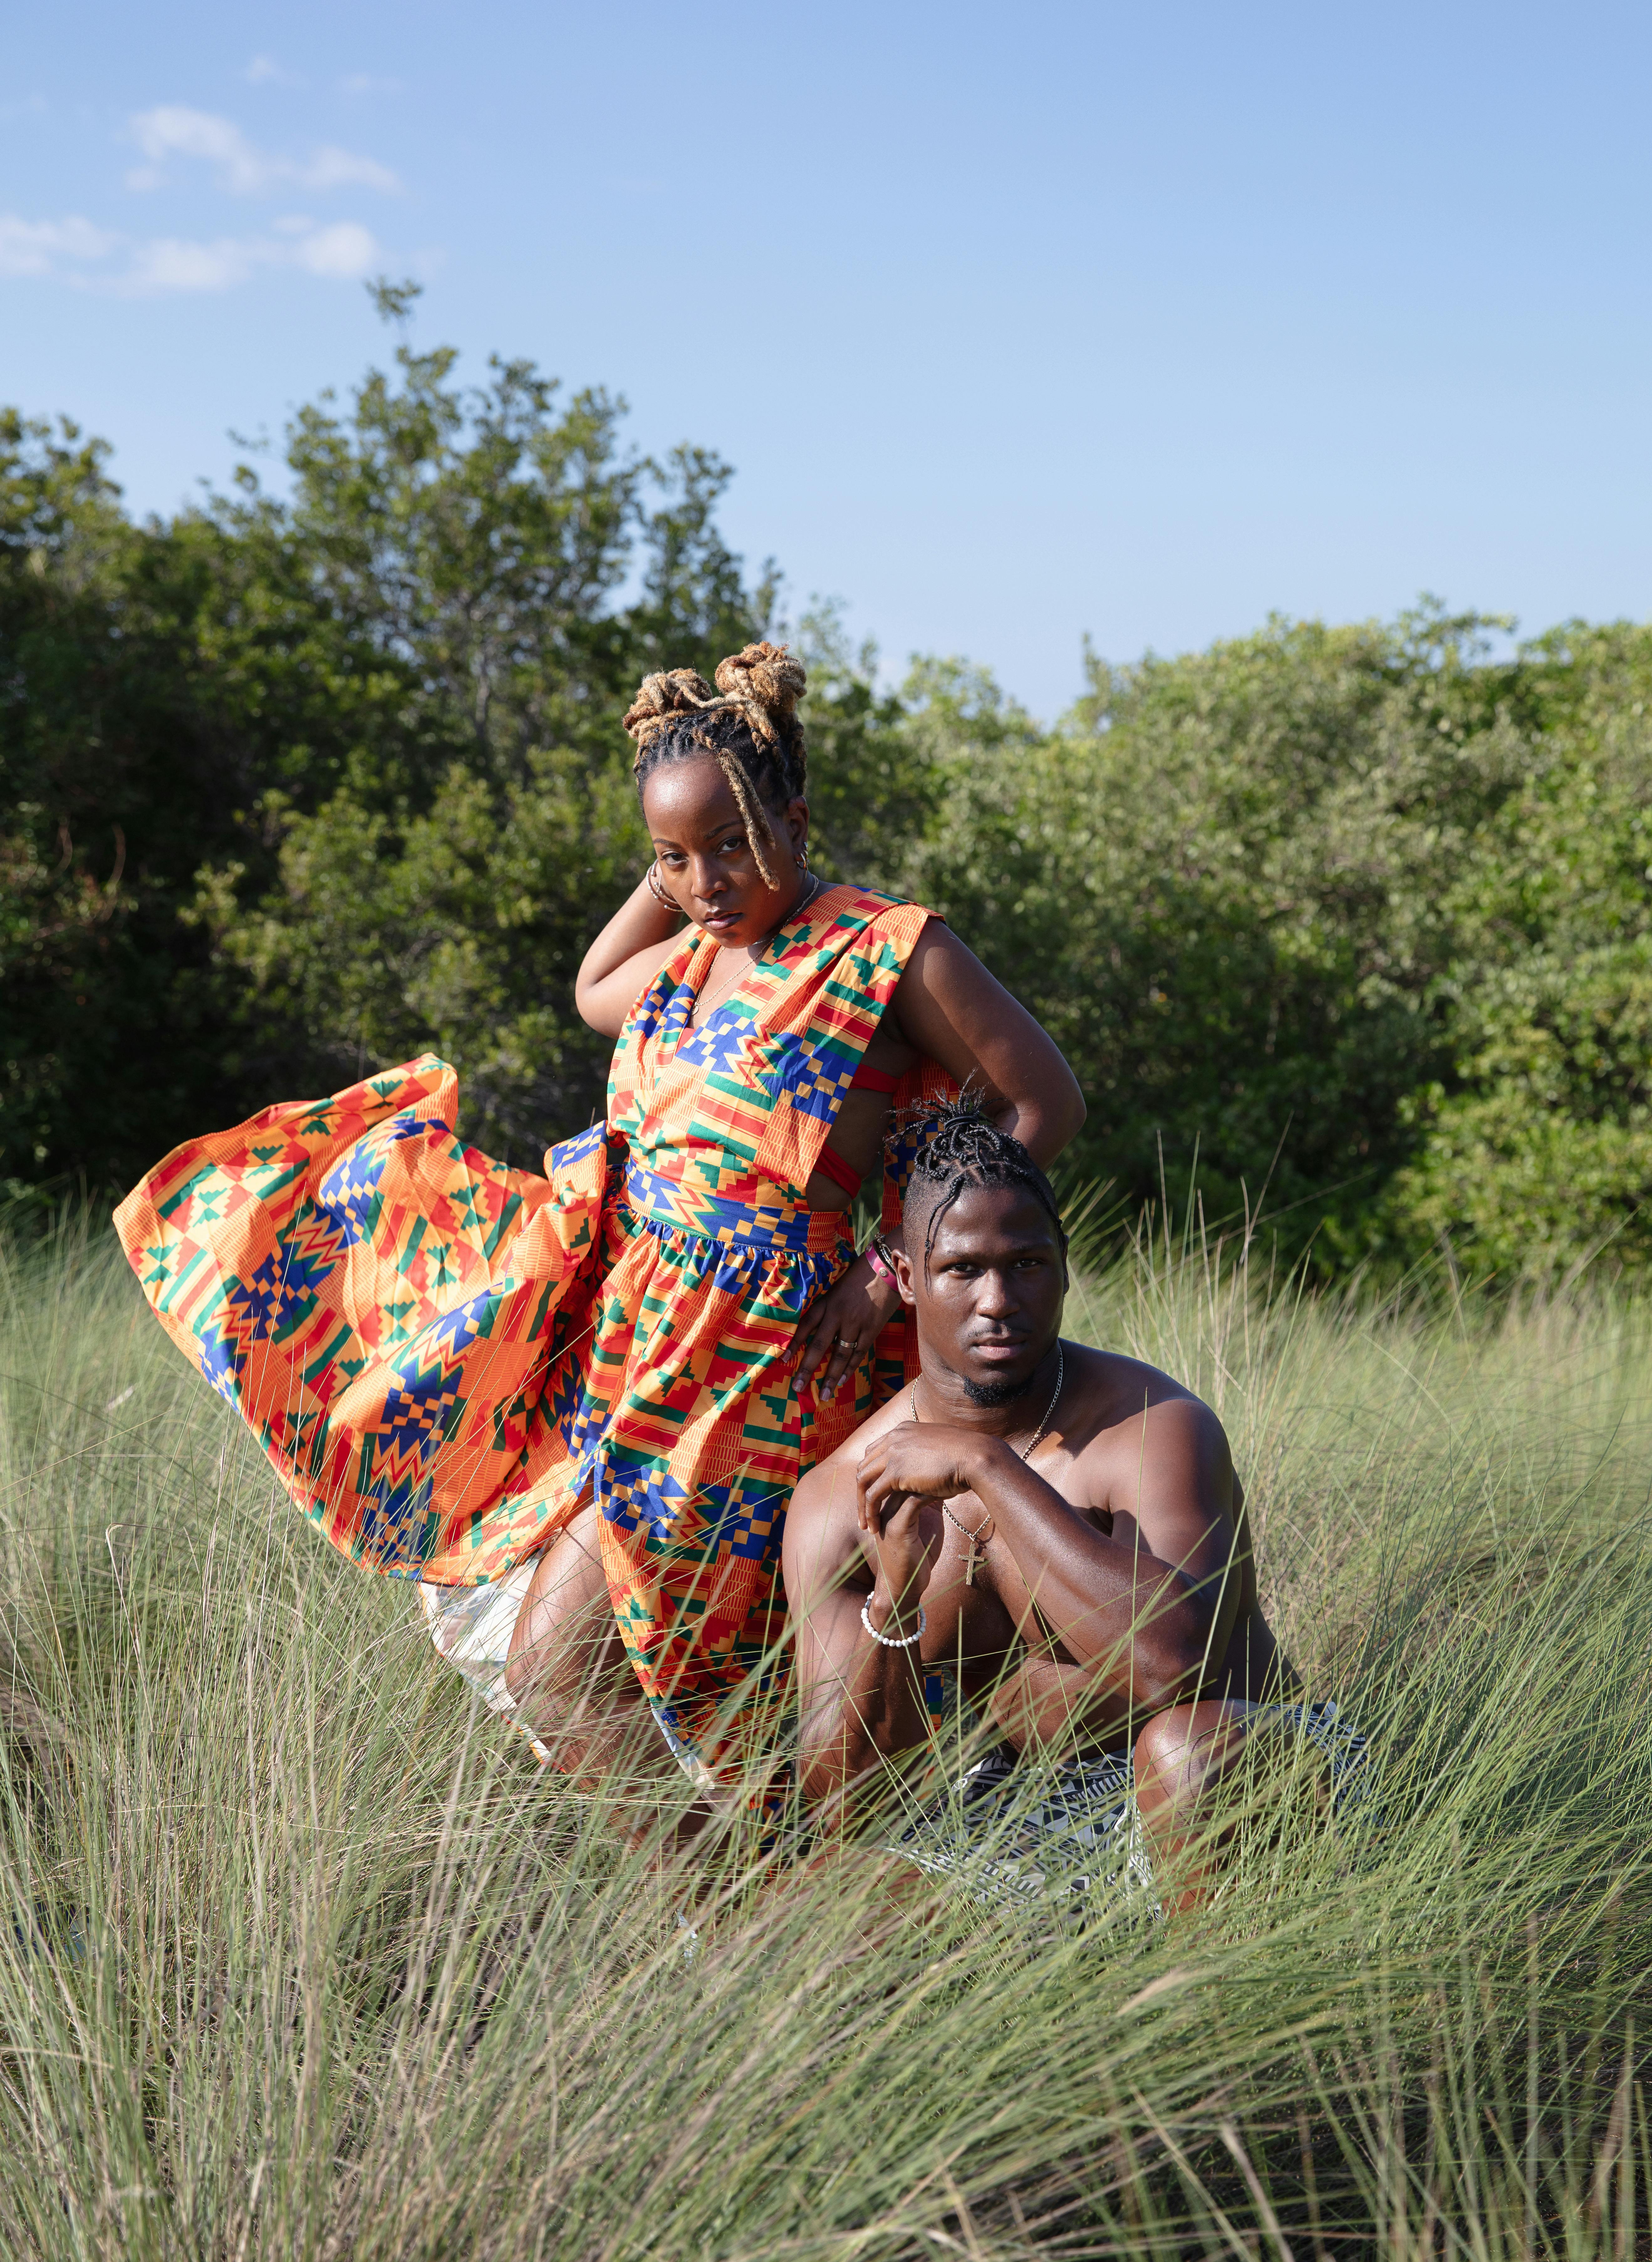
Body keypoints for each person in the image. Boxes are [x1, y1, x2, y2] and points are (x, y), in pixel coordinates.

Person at [113, 644, 1085, 1794]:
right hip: (626, 1339)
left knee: (579, 1663)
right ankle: (746, 1912)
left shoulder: (884, 949)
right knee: (605, 1664)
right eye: (676, 859)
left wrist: (892, 1270)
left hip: (761, 1359)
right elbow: (592, 988)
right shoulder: (688, 961)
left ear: (799, 816)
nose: (711, 881)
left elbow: (1044, 1100)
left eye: (737, 844)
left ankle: (742, 1916)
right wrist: (678, 855)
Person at [783, 1103, 1369, 1911]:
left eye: (1027, 1265)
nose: (998, 1300)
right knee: (826, 1902)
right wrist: (895, 1600)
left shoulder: (1153, 1428)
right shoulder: (841, 1496)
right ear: (907, 1279)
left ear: (1064, 1267)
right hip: (1018, 1818)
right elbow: (849, 1805)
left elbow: (1176, 1666)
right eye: (963, 1270)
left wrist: (987, 1467)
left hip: (1243, 1769)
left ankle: (1217, 2022)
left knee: (1186, 1755)